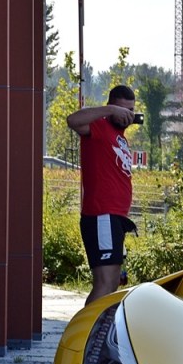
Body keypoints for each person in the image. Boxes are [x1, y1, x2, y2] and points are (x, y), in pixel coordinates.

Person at [68, 84, 138, 304]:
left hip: (115, 218)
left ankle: (98, 331)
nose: (126, 116)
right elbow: (73, 120)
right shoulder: (98, 126)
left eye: (131, 111)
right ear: (111, 107)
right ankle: (84, 335)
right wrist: (109, 111)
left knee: (114, 281)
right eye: (122, 110)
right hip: (102, 215)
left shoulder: (120, 137)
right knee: (105, 282)